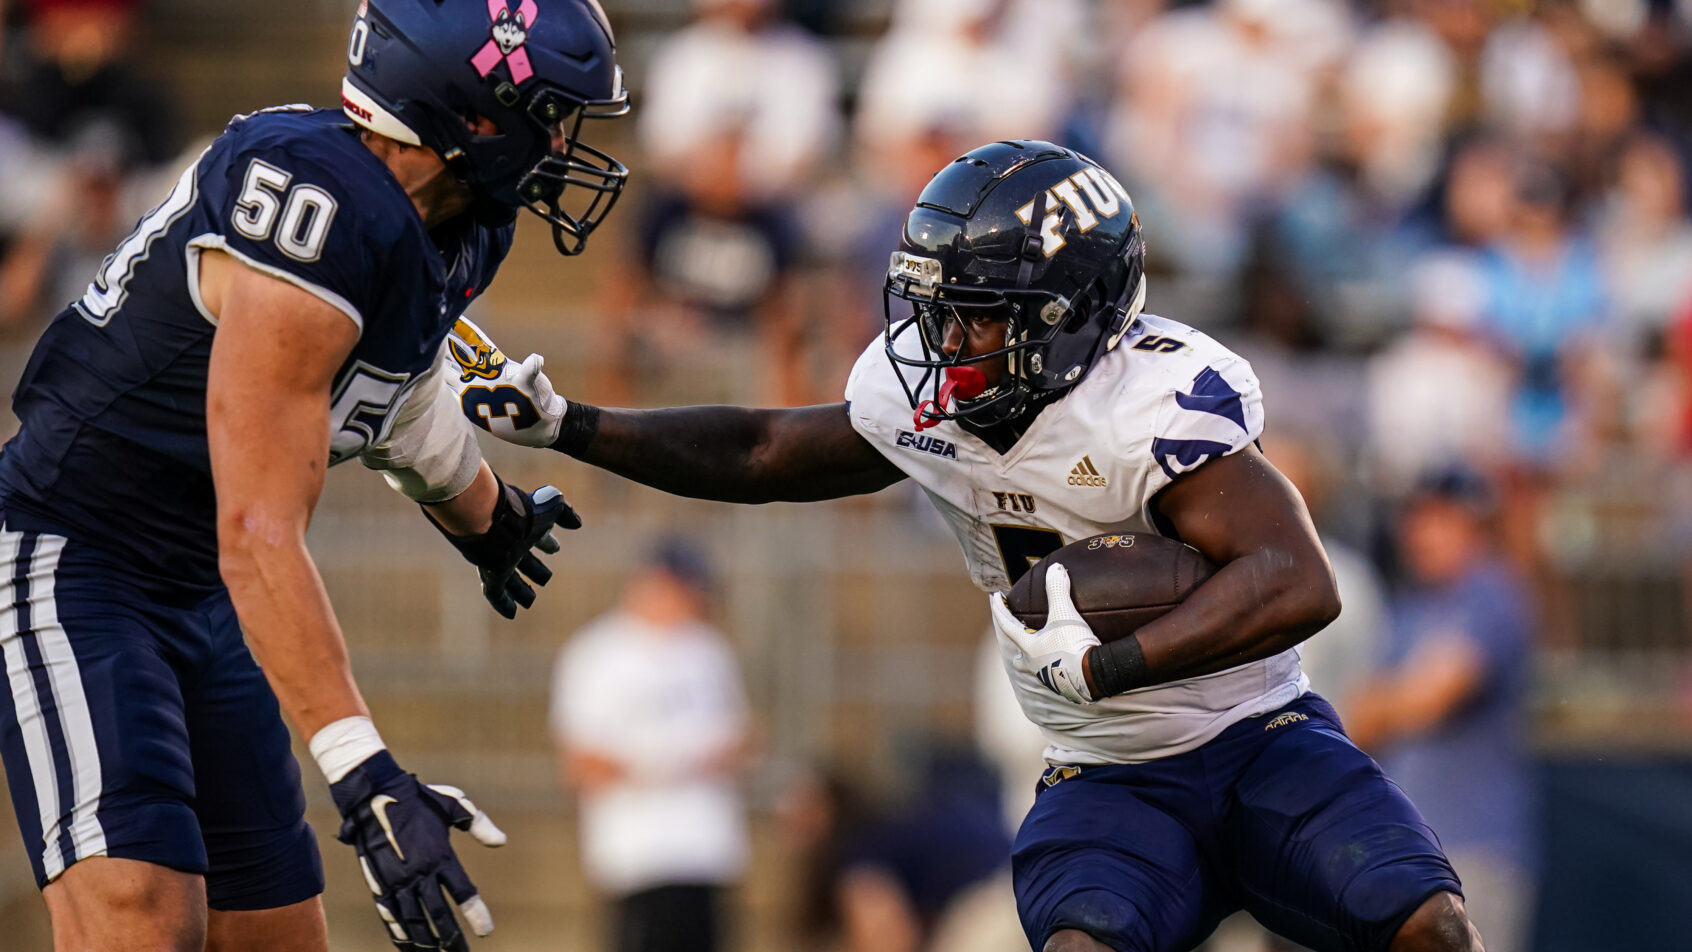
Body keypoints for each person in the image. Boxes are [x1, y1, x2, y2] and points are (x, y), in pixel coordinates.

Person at [455, 140, 1485, 952]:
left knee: (1428, 925)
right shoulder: (925, 399)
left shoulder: (1154, 402)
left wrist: (1111, 660)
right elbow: (765, 449)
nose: (944, 342)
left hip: (1259, 734)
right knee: (1083, 941)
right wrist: (569, 425)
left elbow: (1297, 580)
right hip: (1104, 768)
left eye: (979, 316)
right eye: (938, 310)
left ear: (1071, 317)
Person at [0, 2, 630, 950]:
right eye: (548, 115)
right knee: (139, 909)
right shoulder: (312, 195)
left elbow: (396, 396)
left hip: (203, 589)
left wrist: (485, 515)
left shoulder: (456, 221)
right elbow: (257, 527)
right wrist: (364, 773)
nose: (562, 146)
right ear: (470, 115)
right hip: (78, 554)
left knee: (277, 934)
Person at [1345, 470, 1537, 952]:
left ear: (1471, 524)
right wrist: (1392, 701)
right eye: (1414, 518)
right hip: (1410, 852)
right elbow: (1359, 719)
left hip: (1475, 850)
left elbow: (1430, 699)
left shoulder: (1492, 594)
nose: (1419, 533)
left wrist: (1391, 700)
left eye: (1437, 519)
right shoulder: (1409, 609)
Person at [551, 539, 751, 952]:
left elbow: (742, 737)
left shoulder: (708, 650)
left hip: (706, 849)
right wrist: (669, 762)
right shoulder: (597, 653)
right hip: (637, 854)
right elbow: (581, 763)